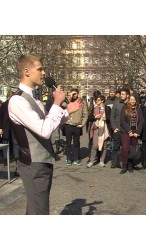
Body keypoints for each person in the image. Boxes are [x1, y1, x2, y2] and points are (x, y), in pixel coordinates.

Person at [8, 54, 82, 215]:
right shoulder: (17, 101)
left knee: (36, 208)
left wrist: (66, 111)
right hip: (33, 163)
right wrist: (56, 103)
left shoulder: (35, 98)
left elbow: (47, 123)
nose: (44, 73)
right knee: (39, 211)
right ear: (27, 72)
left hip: (42, 161)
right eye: (40, 69)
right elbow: (44, 130)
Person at [120, 94, 144, 174]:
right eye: (131, 99)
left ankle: (130, 165)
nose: (132, 101)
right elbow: (123, 120)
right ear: (129, 100)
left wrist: (137, 132)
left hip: (135, 132)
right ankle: (124, 165)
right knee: (125, 148)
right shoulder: (125, 108)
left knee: (132, 149)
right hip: (126, 131)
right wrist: (129, 131)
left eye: (134, 100)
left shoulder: (138, 109)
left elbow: (141, 121)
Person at [87, 95, 112, 168]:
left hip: (104, 128)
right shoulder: (94, 108)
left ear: (102, 100)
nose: (96, 101)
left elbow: (110, 118)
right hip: (96, 128)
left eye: (98, 100)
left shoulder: (107, 108)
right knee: (94, 145)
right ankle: (92, 161)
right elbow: (89, 117)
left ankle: (102, 161)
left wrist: (105, 118)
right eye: (96, 100)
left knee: (104, 145)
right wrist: (95, 117)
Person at [64, 88, 88, 166]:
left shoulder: (82, 102)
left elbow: (85, 114)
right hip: (68, 125)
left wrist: (82, 124)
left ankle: (76, 158)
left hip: (77, 125)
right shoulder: (68, 101)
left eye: (75, 94)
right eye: (72, 94)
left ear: (78, 94)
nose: (74, 95)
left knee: (76, 143)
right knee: (68, 143)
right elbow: (62, 106)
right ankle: (68, 158)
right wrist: (69, 98)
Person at [110, 87, 130, 169]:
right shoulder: (117, 103)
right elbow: (112, 117)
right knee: (116, 147)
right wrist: (114, 127)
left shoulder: (130, 103)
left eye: (123, 94)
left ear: (127, 95)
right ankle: (114, 162)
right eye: (121, 94)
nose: (121, 96)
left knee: (126, 147)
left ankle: (126, 163)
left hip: (127, 130)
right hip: (118, 129)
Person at [0, 90, 19, 175]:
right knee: (12, 144)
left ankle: (7, 160)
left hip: (8, 127)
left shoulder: (5, 105)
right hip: (9, 127)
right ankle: (12, 160)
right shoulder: (5, 105)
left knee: (11, 144)